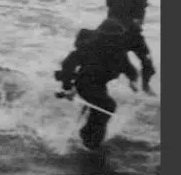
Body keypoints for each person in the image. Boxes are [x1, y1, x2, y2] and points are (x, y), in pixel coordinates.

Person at [55, 19, 140, 150]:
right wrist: (68, 87)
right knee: (108, 106)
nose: (112, 41)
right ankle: (89, 138)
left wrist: (132, 81)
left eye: (115, 37)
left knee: (100, 110)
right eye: (109, 37)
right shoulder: (89, 47)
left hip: (99, 85)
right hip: (84, 83)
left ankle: (90, 139)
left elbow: (129, 68)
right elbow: (67, 65)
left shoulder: (117, 51)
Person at [105, 0, 156, 94]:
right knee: (146, 61)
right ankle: (145, 86)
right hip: (131, 34)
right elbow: (138, 18)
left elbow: (111, 7)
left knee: (113, 63)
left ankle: (132, 79)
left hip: (111, 34)